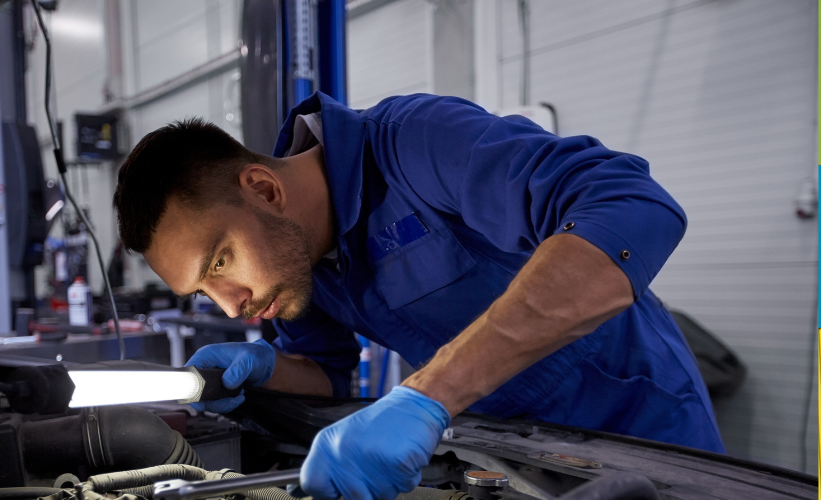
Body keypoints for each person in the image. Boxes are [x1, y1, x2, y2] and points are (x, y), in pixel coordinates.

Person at [113, 93, 724, 500]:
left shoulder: (417, 144)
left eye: (219, 262)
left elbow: (633, 207)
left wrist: (429, 395)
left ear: (263, 189)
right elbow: (328, 375)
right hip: (508, 459)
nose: (228, 304)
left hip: (645, 432)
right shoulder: (296, 268)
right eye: (203, 289)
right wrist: (269, 368)